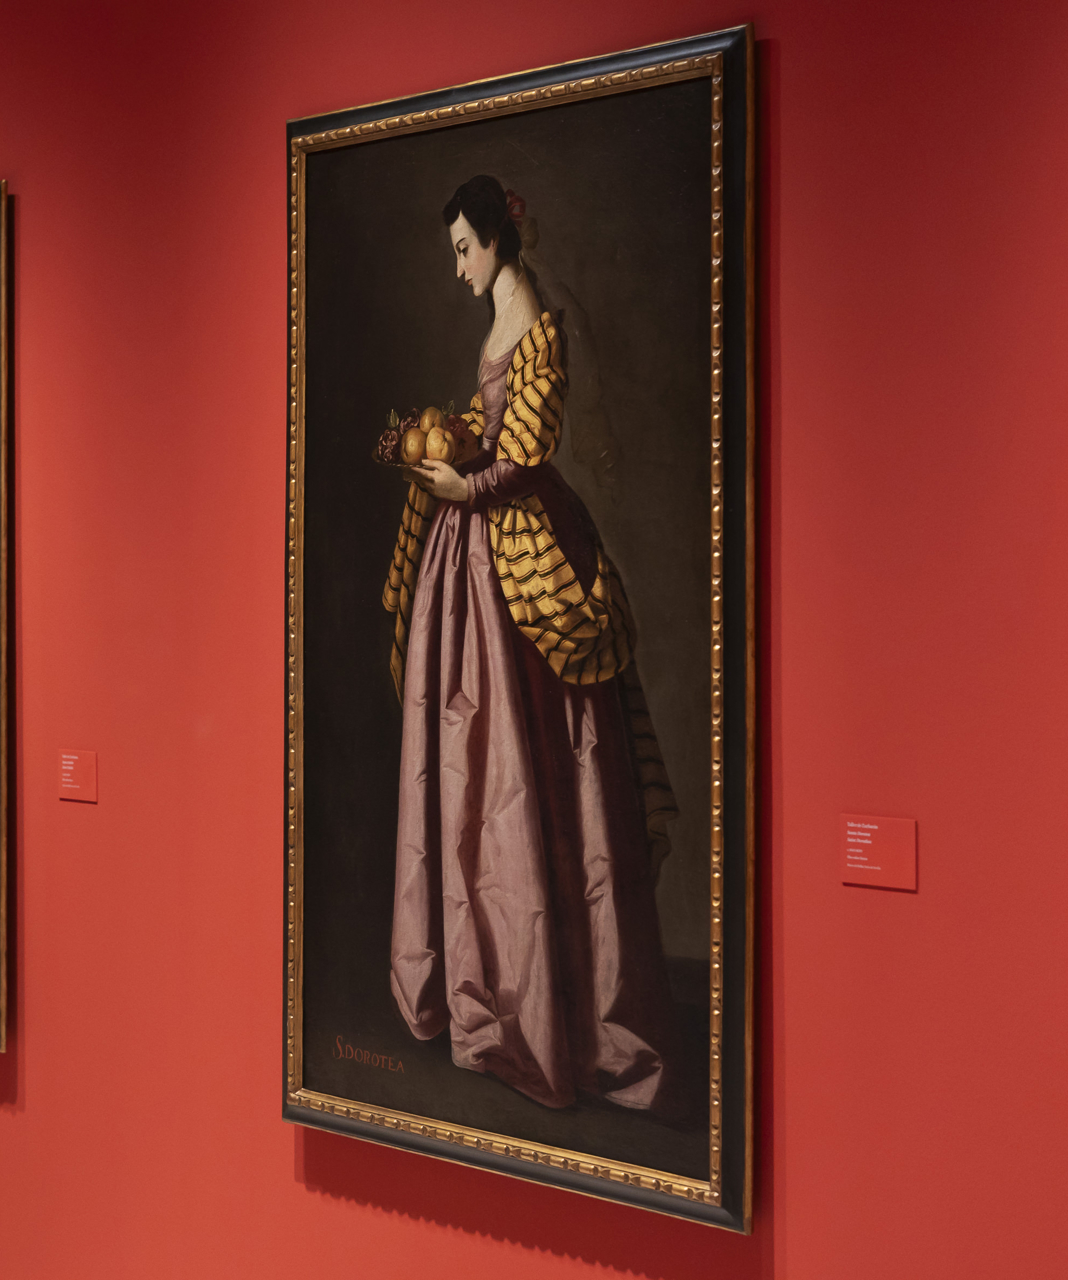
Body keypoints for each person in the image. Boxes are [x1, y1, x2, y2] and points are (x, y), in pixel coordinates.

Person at [383, 176, 682, 1114]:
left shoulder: (538, 328)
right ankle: (497, 983)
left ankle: (557, 1003)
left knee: (534, 761)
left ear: (497, 240)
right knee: (477, 767)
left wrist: (462, 484)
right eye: (454, 251)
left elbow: (528, 451)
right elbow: (496, 427)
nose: (457, 266)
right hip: (478, 548)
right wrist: (448, 443)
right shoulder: (503, 318)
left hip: (522, 549)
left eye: (464, 248)